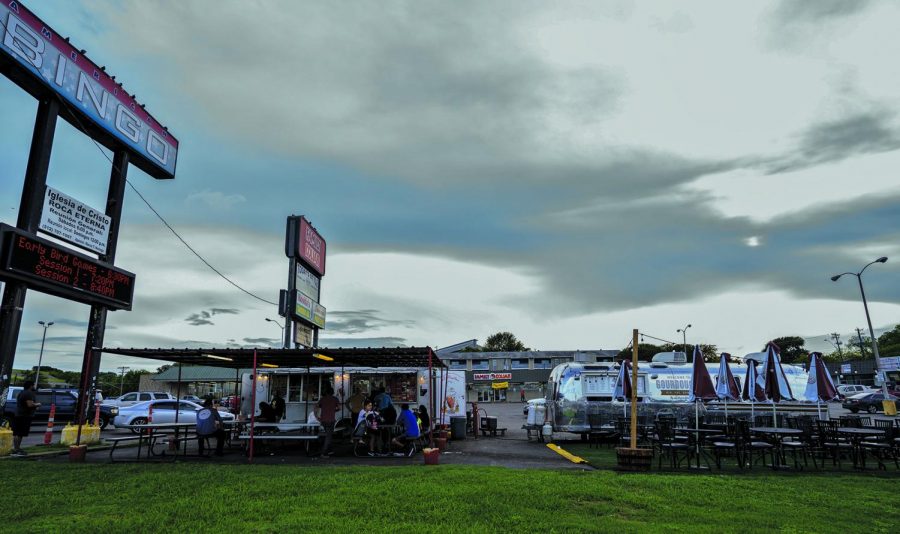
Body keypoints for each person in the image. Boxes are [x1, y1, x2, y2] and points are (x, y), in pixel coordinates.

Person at [12, 381, 40, 457]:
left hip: (18, 415)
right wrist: (38, 404)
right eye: (33, 385)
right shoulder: (28, 393)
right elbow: (30, 405)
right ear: (30, 386)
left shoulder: (21, 392)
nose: (34, 386)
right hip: (24, 416)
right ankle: (16, 450)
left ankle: (16, 449)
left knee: (17, 433)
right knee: (19, 433)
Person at [315, 386, 339, 457]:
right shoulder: (335, 399)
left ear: (326, 392)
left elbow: (316, 406)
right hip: (331, 420)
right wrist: (334, 410)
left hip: (323, 420)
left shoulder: (323, 399)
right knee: (328, 436)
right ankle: (323, 452)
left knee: (328, 435)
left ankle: (330, 450)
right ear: (333, 392)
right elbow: (339, 408)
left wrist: (317, 416)